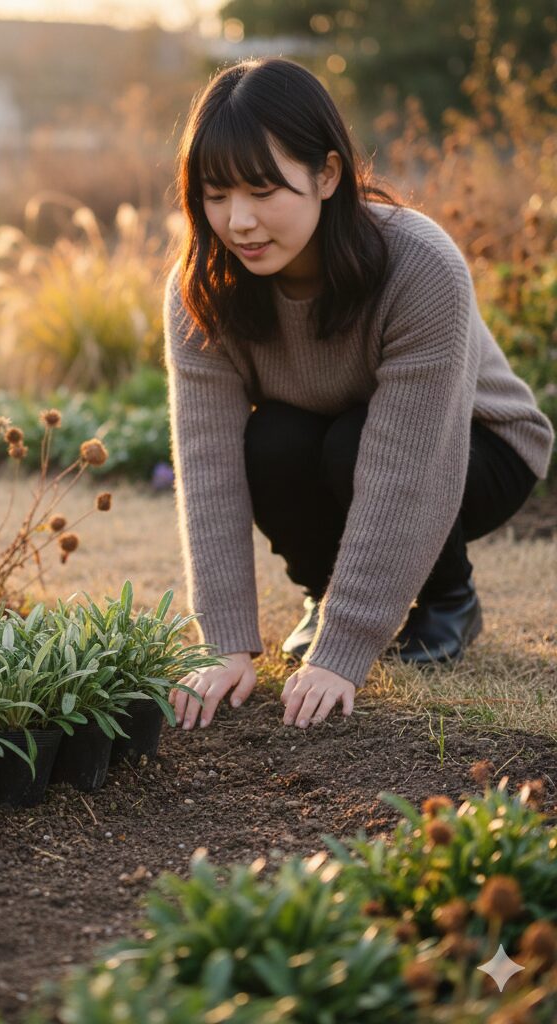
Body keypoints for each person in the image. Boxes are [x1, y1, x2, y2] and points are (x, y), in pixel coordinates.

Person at [164, 58, 554, 733]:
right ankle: (324, 590)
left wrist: (344, 653)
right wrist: (224, 643)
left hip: (482, 449)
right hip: (333, 437)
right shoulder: (203, 287)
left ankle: (448, 599)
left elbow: (405, 465)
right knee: (272, 440)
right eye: (216, 194)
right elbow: (207, 466)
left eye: (262, 190)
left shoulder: (418, 265)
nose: (239, 222)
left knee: (355, 446)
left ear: (327, 174)